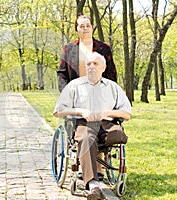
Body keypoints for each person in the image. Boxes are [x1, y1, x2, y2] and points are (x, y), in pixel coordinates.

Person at [53, 52, 131, 200]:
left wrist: (107, 112)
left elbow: (127, 113)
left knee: (118, 135)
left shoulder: (113, 87)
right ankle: (94, 185)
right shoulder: (74, 86)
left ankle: (97, 164)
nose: (91, 67)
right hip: (84, 123)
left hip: (107, 123)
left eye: (95, 64)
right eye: (88, 64)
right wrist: (80, 111)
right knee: (87, 139)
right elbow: (58, 111)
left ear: (103, 67)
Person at [57, 15, 117, 92]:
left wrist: (108, 92)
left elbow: (111, 73)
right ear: (76, 30)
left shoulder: (104, 48)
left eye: (88, 26)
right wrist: (66, 92)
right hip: (75, 95)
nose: (85, 28)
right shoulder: (68, 49)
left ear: (92, 28)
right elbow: (62, 73)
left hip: (99, 94)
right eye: (81, 26)